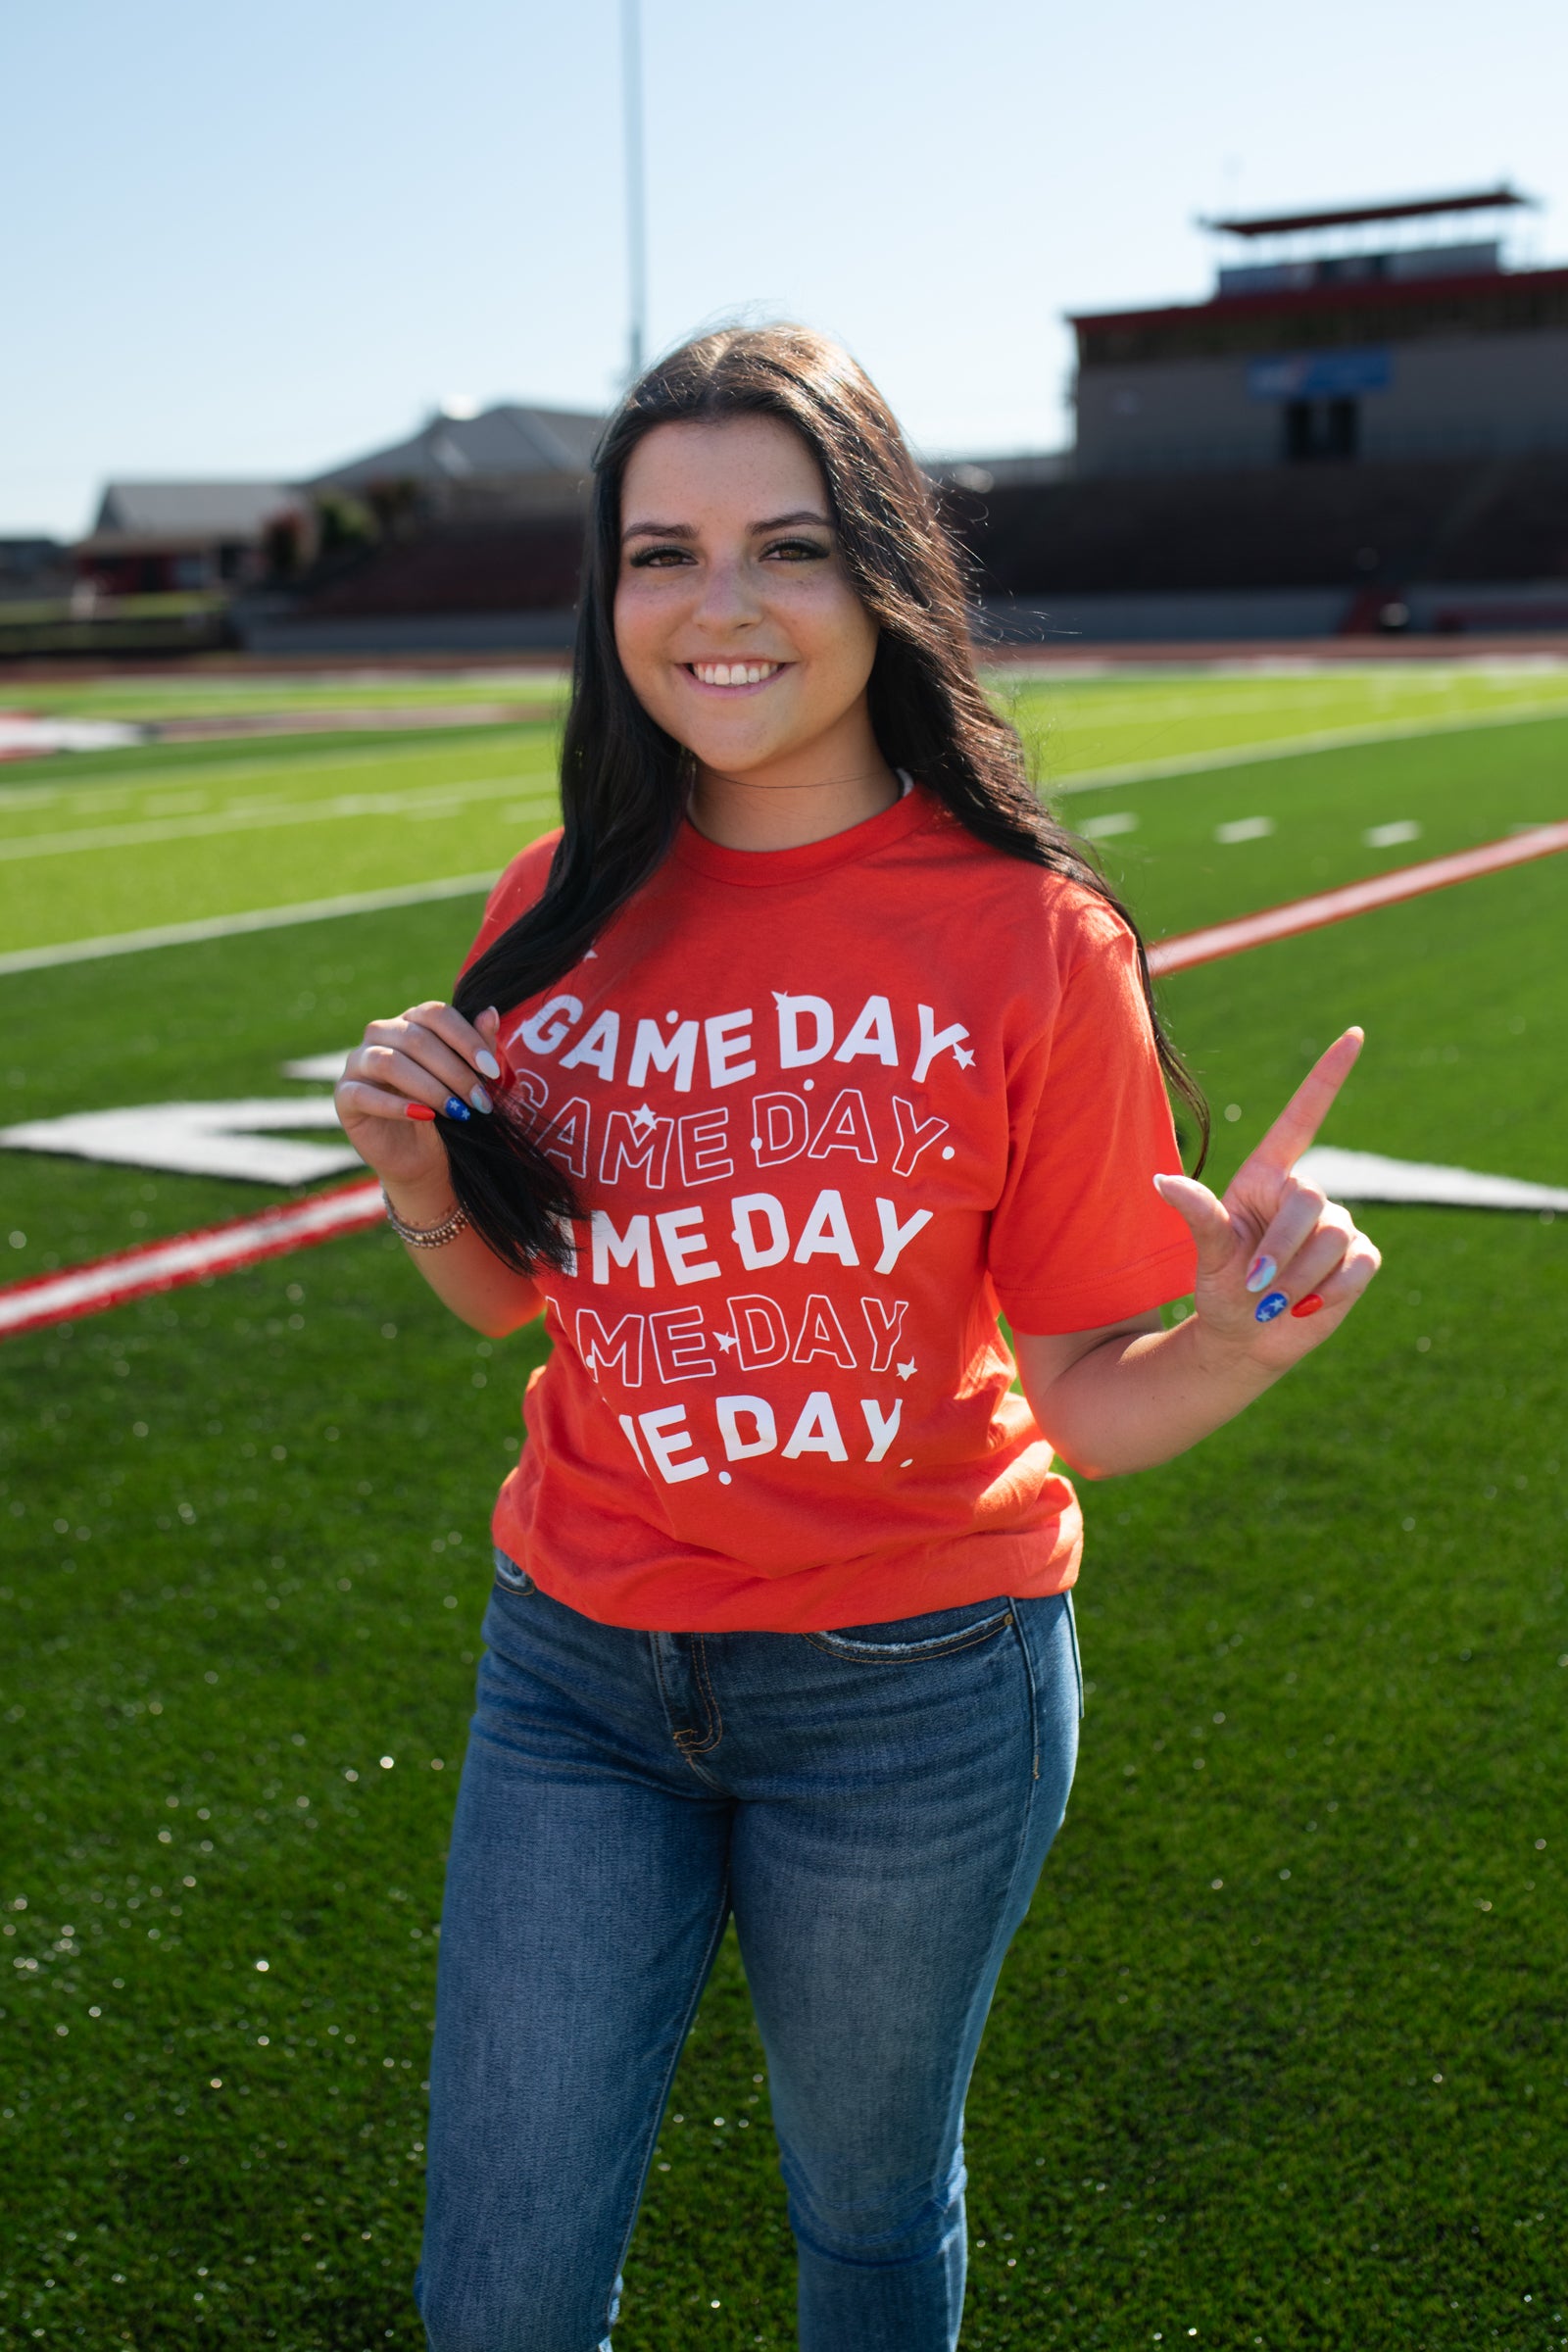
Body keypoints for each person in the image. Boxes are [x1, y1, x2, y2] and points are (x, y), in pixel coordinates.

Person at [335, 324, 1380, 2352]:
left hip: (912, 1697)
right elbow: (507, 1298)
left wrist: (1242, 1345)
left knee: (868, 2212)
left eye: (782, 548)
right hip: (573, 1667)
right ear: (607, 594)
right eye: (660, 553)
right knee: (500, 2280)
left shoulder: (1024, 933)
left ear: (879, 577)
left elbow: (1078, 1396)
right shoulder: (551, 901)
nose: (716, 607)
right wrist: (406, 1169)